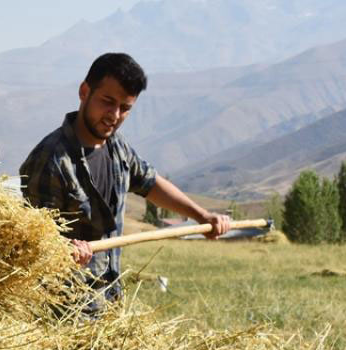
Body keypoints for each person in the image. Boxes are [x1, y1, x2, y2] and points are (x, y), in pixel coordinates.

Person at [19, 52, 230, 315]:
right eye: (108, 102)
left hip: (108, 303)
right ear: (84, 92)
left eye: (125, 108)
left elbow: (150, 183)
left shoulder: (117, 149)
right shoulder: (50, 159)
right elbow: (33, 242)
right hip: (64, 310)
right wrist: (63, 249)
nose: (115, 115)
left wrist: (200, 215)